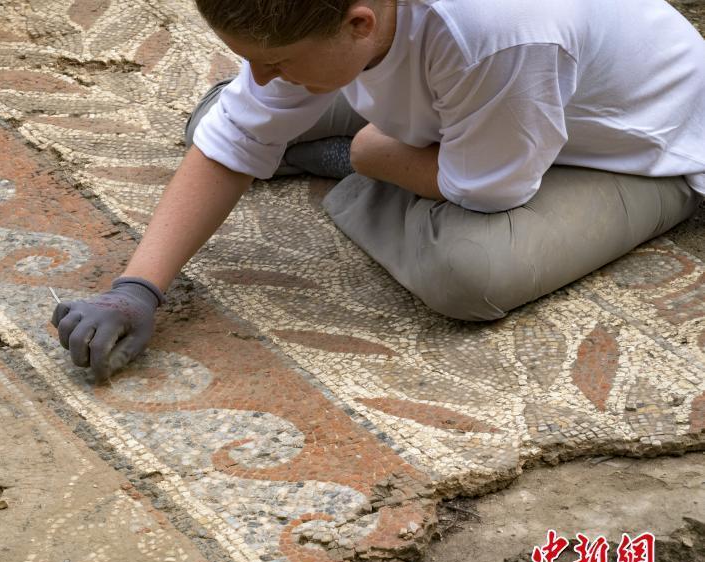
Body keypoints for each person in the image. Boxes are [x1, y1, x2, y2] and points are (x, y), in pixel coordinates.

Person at [52, 0, 705, 382]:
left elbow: (490, 190)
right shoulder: (339, 20)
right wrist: (136, 289)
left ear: (360, 24)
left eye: (274, 62)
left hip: (637, 149)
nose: (258, 72)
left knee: (468, 271)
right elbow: (231, 142)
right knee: (214, 125)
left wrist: (370, 157)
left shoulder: (497, 35)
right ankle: (359, 149)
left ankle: (346, 162)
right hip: (486, 106)